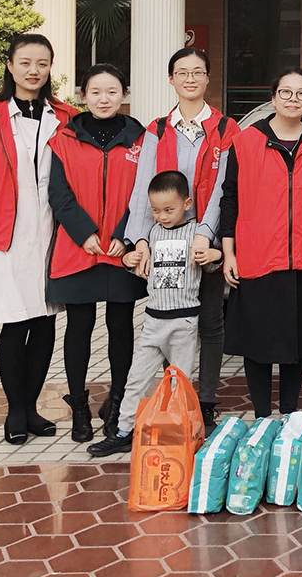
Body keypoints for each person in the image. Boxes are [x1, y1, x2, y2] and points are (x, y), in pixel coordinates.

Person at [0, 33, 76, 445]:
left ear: (50, 69)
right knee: (14, 322)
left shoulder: (66, 116)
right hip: (6, 236)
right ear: (10, 66)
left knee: (45, 321)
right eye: (25, 62)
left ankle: (32, 408)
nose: (33, 71)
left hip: (52, 234)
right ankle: (15, 410)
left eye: (42, 63)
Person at [125, 47, 239, 429]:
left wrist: (206, 234)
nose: (190, 79)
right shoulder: (157, 130)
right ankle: (167, 402)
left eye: (197, 72)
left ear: (208, 77)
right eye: (182, 72)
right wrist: (140, 242)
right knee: (166, 322)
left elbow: (224, 188)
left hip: (204, 244)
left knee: (210, 322)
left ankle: (203, 402)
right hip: (163, 244)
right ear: (171, 79)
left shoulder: (226, 129)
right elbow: (142, 187)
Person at [46, 63, 147, 443]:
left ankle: (117, 404)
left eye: (112, 91)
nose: (104, 99)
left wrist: (125, 235)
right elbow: (58, 194)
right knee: (79, 327)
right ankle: (79, 408)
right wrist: (83, 233)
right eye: (95, 92)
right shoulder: (63, 138)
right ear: (82, 96)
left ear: (124, 95)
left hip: (121, 251)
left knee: (121, 327)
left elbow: (144, 193)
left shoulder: (142, 139)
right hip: (79, 249)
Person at [88, 170, 222, 456]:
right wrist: (128, 259)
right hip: (153, 320)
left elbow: (212, 262)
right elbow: (137, 265)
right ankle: (123, 430)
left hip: (183, 322)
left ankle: (179, 433)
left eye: (169, 210)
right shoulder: (151, 233)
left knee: (179, 383)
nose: (162, 216)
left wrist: (215, 255)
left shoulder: (197, 233)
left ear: (187, 204)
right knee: (136, 379)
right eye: (156, 210)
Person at [222, 68, 302, 418]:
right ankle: (262, 417)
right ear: (273, 97)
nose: (293, 99)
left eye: (301, 93)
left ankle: (290, 415)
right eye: (286, 92)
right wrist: (228, 252)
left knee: (297, 344)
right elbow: (229, 198)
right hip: (258, 256)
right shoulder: (246, 141)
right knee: (258, 344)